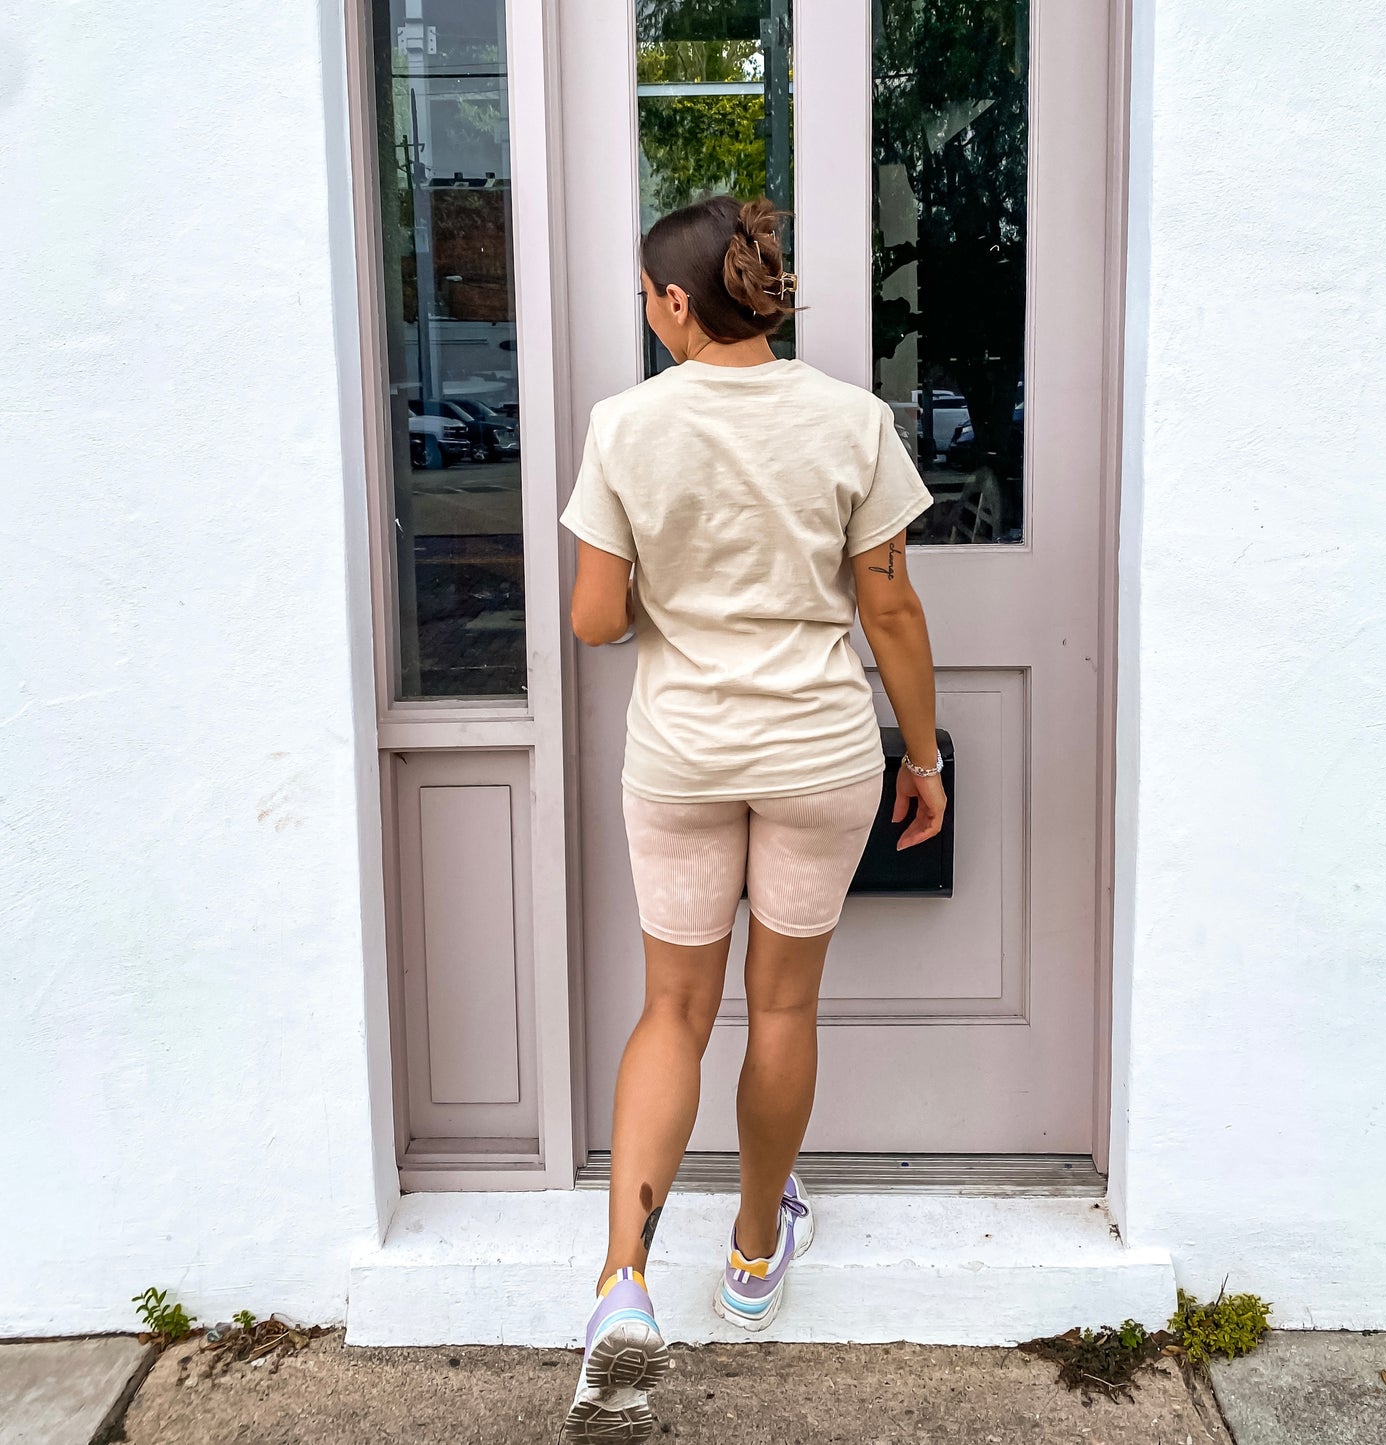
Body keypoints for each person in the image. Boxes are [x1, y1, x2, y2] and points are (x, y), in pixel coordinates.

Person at [558, 193, 946, 1442]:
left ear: (677, 300)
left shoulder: (625, 426)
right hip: (817, 752)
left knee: (672, 1006)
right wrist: (923, 756)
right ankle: (748, 1252)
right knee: (781, 1004)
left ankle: (622, 1284)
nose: (645, 313)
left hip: (680, 757)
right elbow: (888, 611)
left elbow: (595, 620)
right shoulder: (850, 419)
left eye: (644, 295)